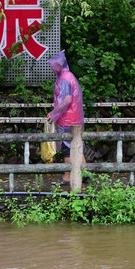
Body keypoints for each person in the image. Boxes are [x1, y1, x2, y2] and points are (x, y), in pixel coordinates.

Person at [45, 50, 85, 185]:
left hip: (68, 119)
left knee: (67, 148)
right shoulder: (69, 76)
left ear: (59, 65)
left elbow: (67, 100)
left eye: (53, 65)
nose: (51, 68)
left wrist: (54, 113)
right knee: (77, 145)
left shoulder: (64, 79)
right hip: (75, 117)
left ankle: (67, 176)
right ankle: (85, 173)